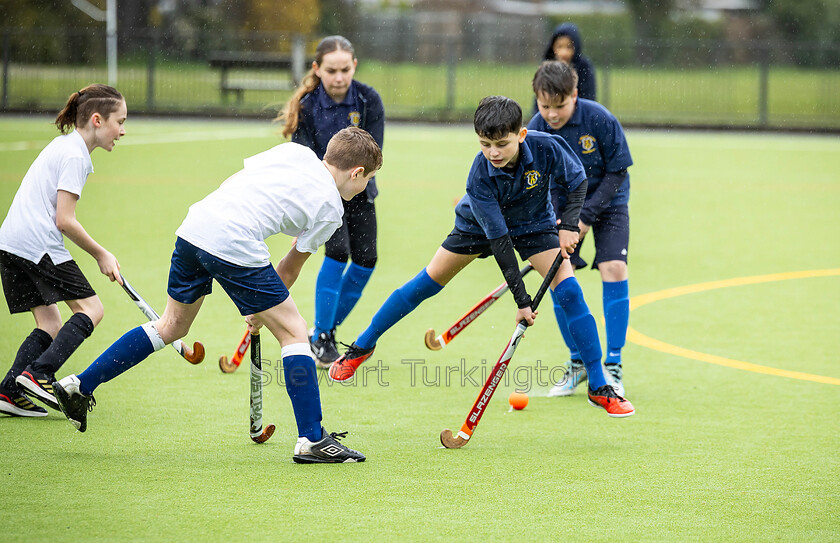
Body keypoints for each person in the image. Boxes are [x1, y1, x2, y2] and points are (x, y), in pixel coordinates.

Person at [52, 127, 383, 464]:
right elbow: (291, 267)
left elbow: (245, 183)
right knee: (294, 332)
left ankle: (81, 384)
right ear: (356, 173)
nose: (364, 188)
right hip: (234, 241)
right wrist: (262, 311)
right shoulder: (331, 209)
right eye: (367, 179)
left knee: (171, 326)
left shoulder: (296, 152)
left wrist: (261, 306)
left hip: (196, 227)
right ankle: (312, 439)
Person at [330, 96, 634, 418]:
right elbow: (500, 242)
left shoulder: (547, 146)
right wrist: (522, 300)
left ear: (522, 135)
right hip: (479, 228)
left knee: (570, 292)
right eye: (485, 144)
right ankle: (362, 345)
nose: (493, 153)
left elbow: (577, 181)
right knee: (426, 283)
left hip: (534, 225)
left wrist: (569, 226)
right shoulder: (480, 177)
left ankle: (598, 385)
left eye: (502, 144)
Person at [0, 84, 125, 418]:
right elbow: (65, 221)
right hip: (36, 243)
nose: (123, 131)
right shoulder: (75, 156)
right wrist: (102, 253)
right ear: (97, 120)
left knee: (49, 322)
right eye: (120, 121)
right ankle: (39, 374)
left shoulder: (64, 145)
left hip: (10, 243)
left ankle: (10, 391)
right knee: (92, 309)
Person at [276, 35, 385, 368]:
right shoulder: (308, 105)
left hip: (359, 189)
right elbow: (303, 159)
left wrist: (352, 180)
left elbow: (374, 152)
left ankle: (324, 333)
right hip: (321, 195)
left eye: (345, 70)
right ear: (317, 69)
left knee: (366, 259)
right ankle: (322, 336)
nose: (339, 77)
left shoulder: (368, 100)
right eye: (331, 70)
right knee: (338, 252)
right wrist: (304, 212)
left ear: (354, 66)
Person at [527, 61, 633, 397]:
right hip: (559, 208)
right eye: (545, 107)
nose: (552, 115)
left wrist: (584, 217)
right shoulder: (534, 129)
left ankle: (612, 364)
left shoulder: (599, 118)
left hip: (608, 201)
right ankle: (579, 363)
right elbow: (534, 183)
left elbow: (618, 173)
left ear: (575, 94)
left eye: (559, 106)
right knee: (562, 280)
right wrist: (559, 222)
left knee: (613, 267)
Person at [542, 23, 596, 101]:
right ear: (552, 46)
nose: (564, 52)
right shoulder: (546, 66)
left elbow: (588, 96)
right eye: (559, 46)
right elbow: (541, 96)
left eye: (569, 47)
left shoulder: (584, 67)